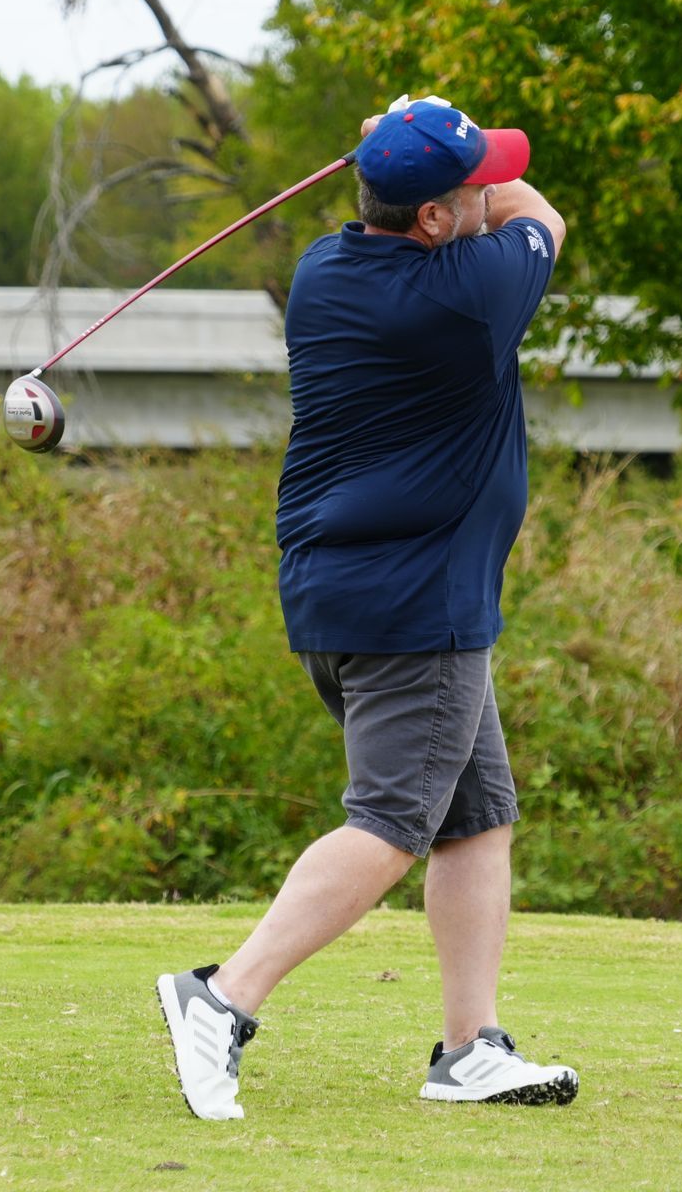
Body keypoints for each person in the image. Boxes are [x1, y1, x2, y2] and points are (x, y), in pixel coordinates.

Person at [156, 96, 573, 1121]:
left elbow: (470, 200)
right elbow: (546, 216)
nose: (488, 193)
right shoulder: (471, 294)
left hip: (350, 590)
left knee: (477, 815)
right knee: (392, 820)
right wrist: (459, 163)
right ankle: (221, 996)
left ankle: (468, 1049)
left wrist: (416, 151)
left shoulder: (324, 269)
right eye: (468, 186)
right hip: (414, 603)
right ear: (431, 219)